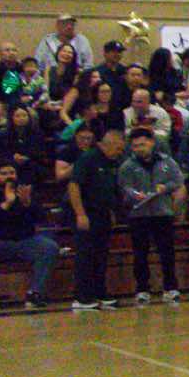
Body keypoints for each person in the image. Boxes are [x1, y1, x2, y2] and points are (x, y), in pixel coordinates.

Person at [119, 127, 184, 302]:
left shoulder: (166, 162)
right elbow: (124, 186)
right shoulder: (128, 166)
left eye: (143, 144)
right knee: (140, 253)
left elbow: (177, 180)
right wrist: (135, 194)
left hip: (162, 212)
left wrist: (165, 188)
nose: (140, 148)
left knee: (167, 252)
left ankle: (171, 287)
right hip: (139, 215)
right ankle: (142, 289)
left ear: (151, 143)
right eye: (135, 146)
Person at [0, 159, 57, 306]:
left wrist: (27, 203)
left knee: (49, 247)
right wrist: (6, 204)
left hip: (24, 241)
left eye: (12, 172)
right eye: (4, 173)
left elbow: (41, 219)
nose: (9, 176)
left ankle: (35, 293)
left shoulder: (24, 192)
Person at [68, 125, 125, 311]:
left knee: (101, 255)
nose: (120, 152)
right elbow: (74, 185)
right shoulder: (88, 158)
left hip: (103, 214)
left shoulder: (112, 162)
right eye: (118, 148)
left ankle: (100, 292)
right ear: (107, 144)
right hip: (87, 213)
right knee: (86, 255)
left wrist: (112, 212)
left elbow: (110, 189)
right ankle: (82, 297)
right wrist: (80, 214)